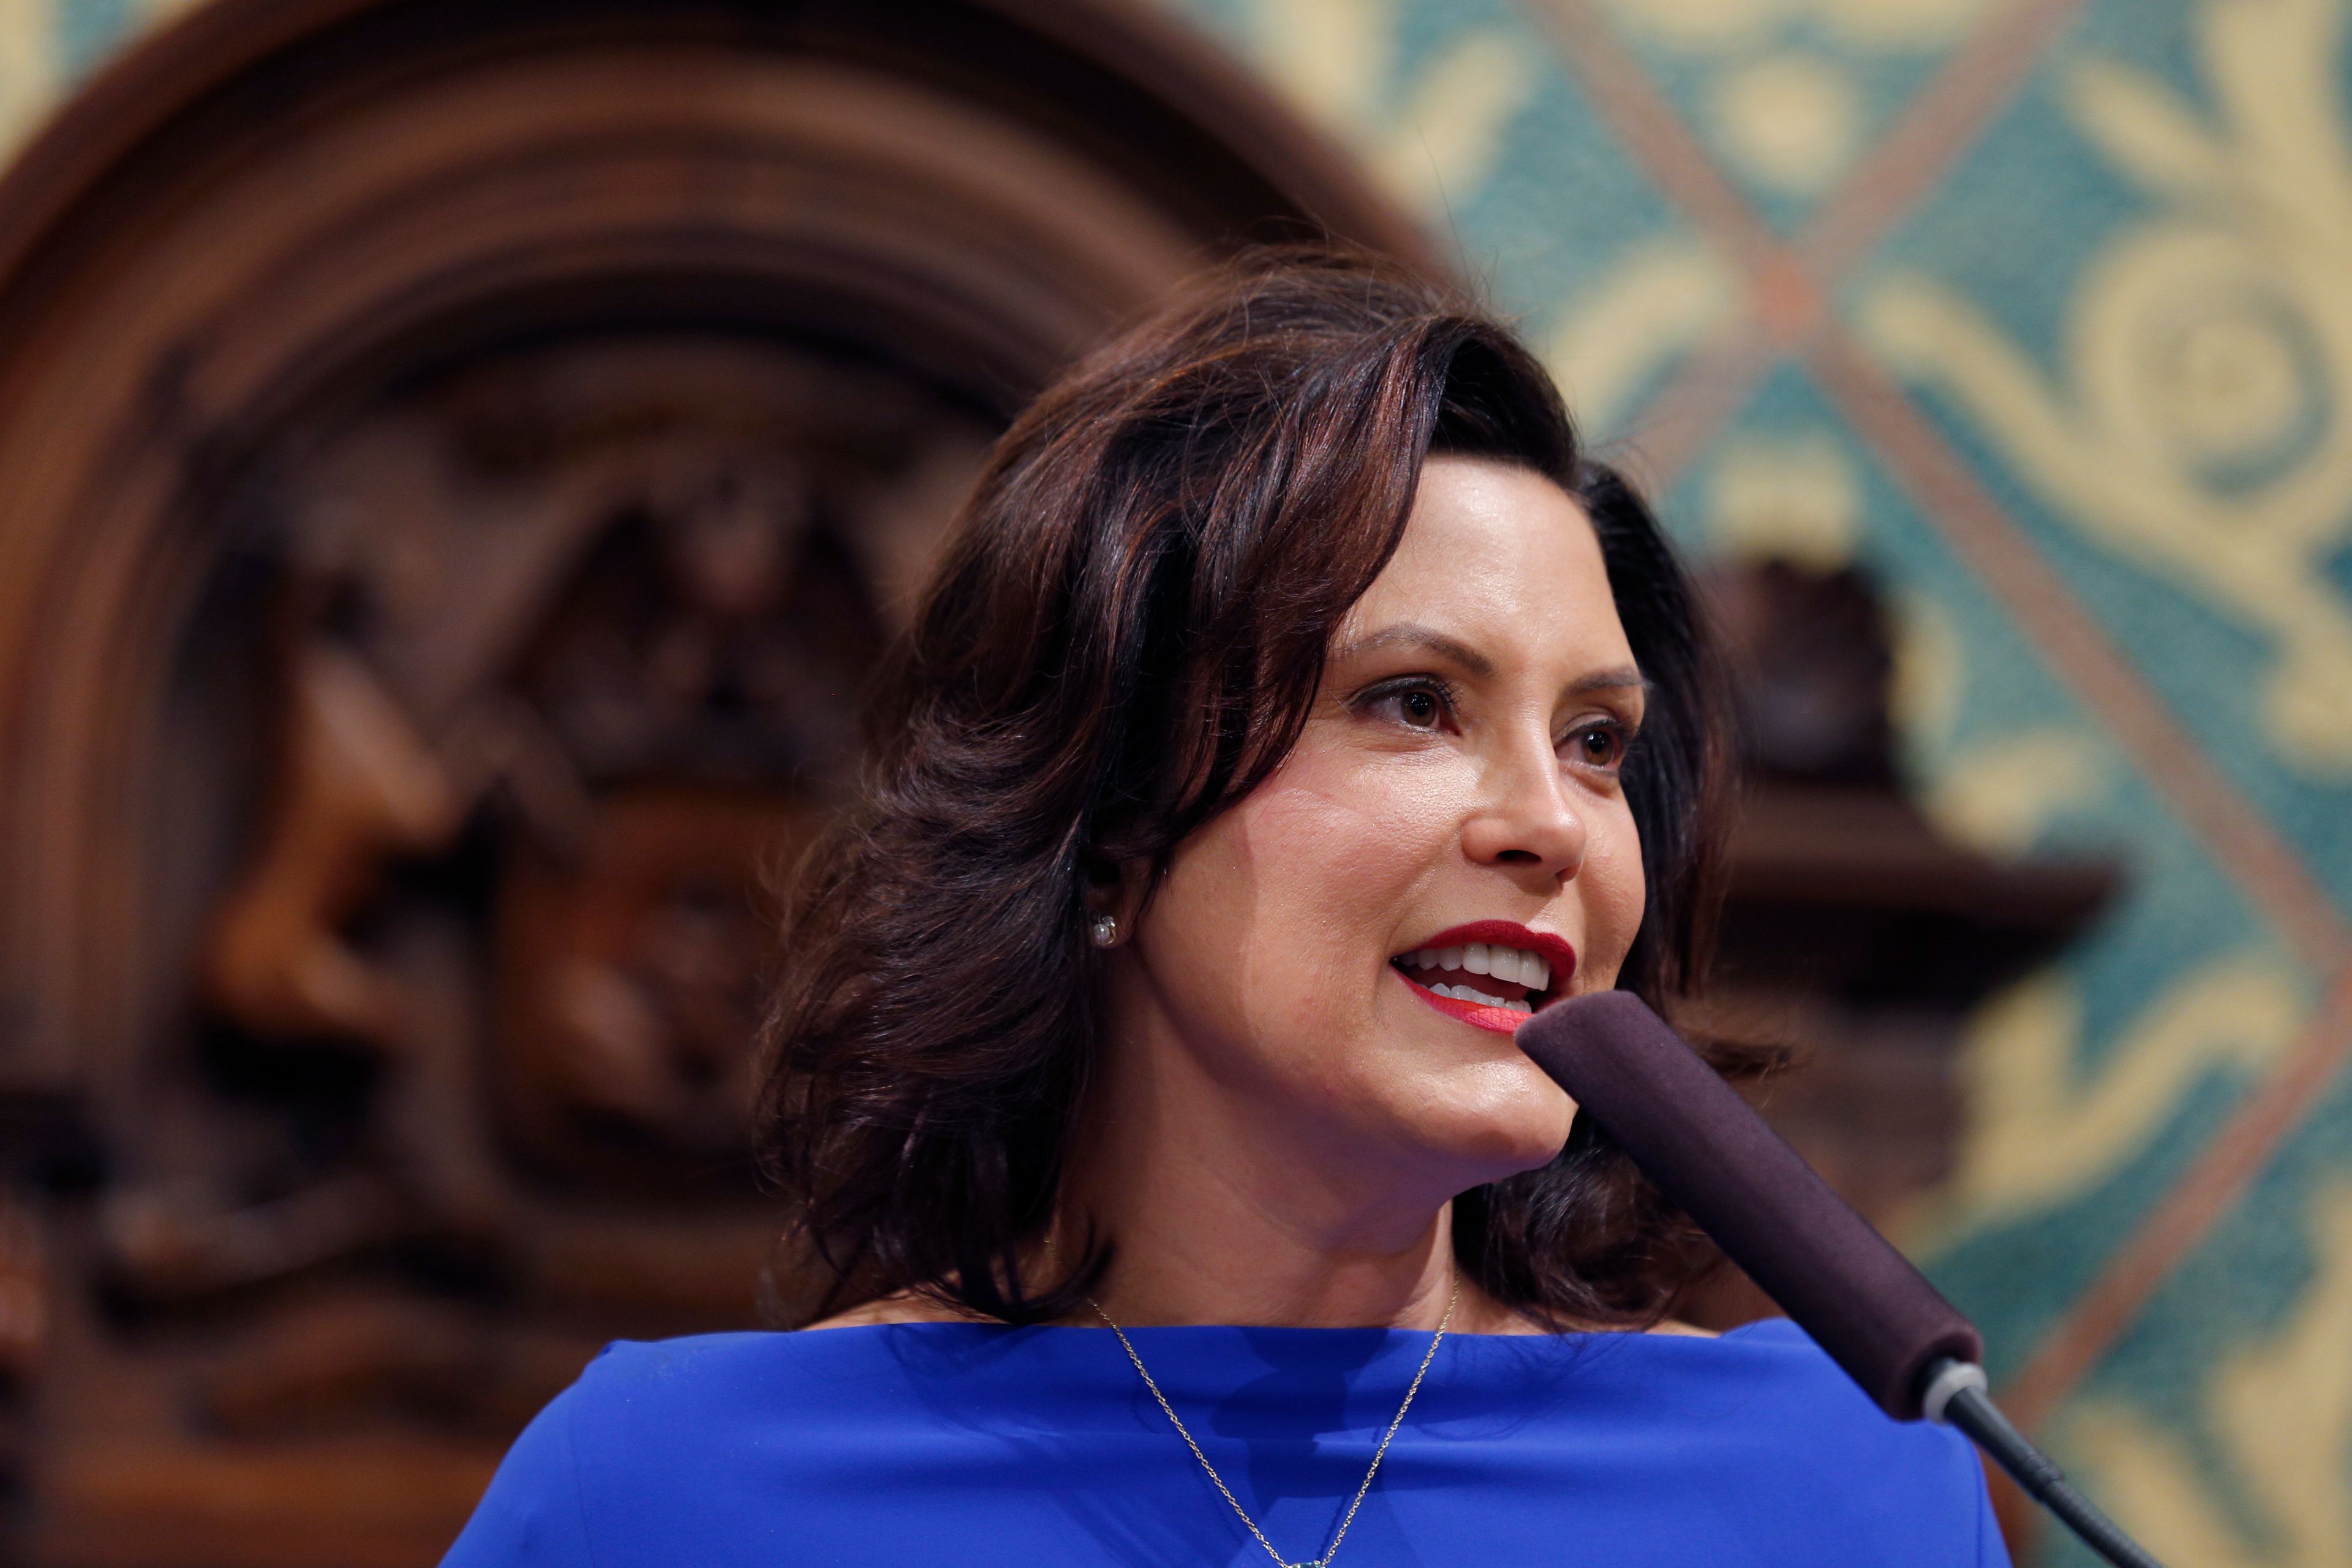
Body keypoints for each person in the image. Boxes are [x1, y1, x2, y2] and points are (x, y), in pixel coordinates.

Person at [442, 249, 2007, 1567]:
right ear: (1112, 815)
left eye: (1597, 741)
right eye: (1413, 701)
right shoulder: (666, 1499)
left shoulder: (1846, 1484)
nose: (1551, 824)